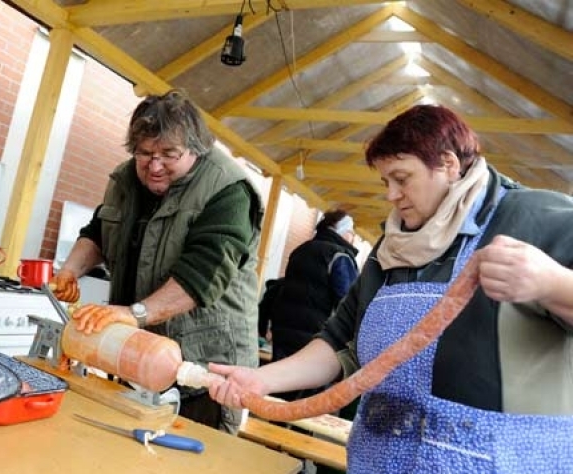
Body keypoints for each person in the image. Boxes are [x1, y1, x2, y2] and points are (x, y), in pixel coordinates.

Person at [208, 104, 573, 472]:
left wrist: (551, 282)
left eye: (402, 178)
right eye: (386, 182)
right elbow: (339, 342)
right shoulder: (391, 249)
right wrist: (259, 378)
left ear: (448, 164)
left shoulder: (532, 218)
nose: (391, 195)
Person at [51, 89, 264, 434]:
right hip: (139, 353)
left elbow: (203, 275)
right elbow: (98, 231)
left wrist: (132, 314)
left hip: (206, 365)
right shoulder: (126, 179)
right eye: (144, 153)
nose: (154, 166)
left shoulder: (227, 190)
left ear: (196, 148)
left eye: (169, 154)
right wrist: (70, 270)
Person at [265, 209, 359, 402]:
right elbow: (348, 304)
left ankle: (272, 426)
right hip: (315, 339)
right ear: (343, 232)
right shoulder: (340, 256)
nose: (353, 236)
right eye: (352, 230)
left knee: (280, 393)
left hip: (284, 332)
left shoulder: (301, 250)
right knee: (307, 403)